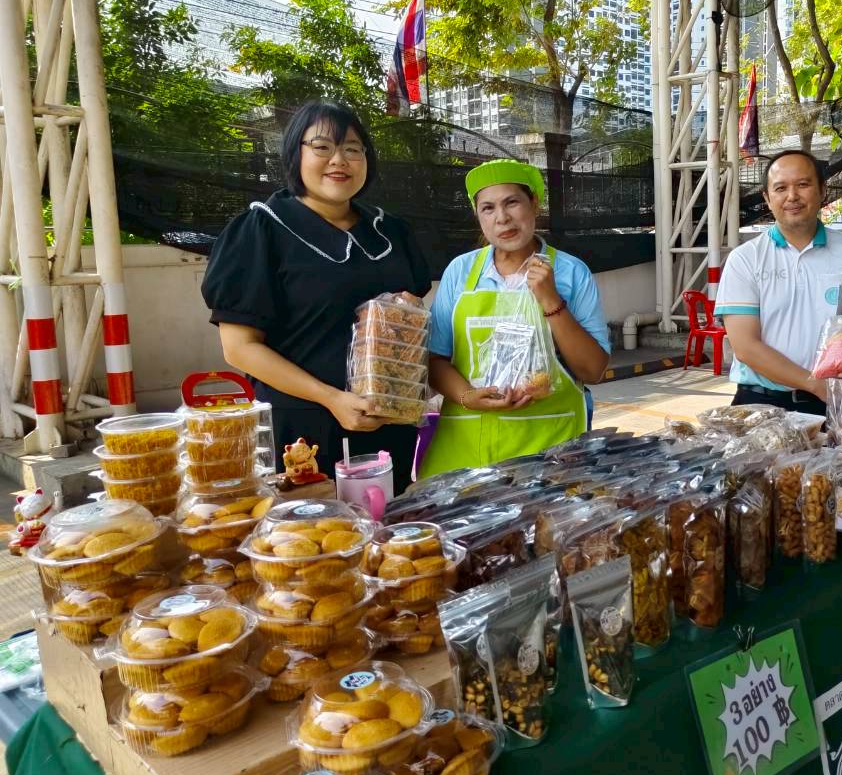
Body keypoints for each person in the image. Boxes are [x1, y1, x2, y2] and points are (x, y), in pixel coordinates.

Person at [202, 101, 431, 493]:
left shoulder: (390, 232)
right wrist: (332, 399)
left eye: (353, 149)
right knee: (315, 526)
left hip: (388, 424)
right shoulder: (262, 231)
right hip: (304, 431)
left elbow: (410, 320)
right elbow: (239, 348)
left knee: (386, 520)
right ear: (296, 154)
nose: (339, 160)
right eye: (322, 147)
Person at [422, 159, 609, 476]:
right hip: (467, 447)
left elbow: (593, 370)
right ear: (478, 215)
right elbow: (436, 360)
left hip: (549, 449)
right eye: (488, 208)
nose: (502, 218)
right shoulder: (460, 272)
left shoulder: (570, 272)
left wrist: (550, 299)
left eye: (512, 202)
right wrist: (468, 396)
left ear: (534, 203)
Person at [716, 150, 842, 416]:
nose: (792, 196)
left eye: (803, 184)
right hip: (759, 402)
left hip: (829, 402)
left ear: (822, 191)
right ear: (767, 199)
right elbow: (745, 347)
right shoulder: (745, 259)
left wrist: (832, 389)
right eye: (780, 188)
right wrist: (813, 384)